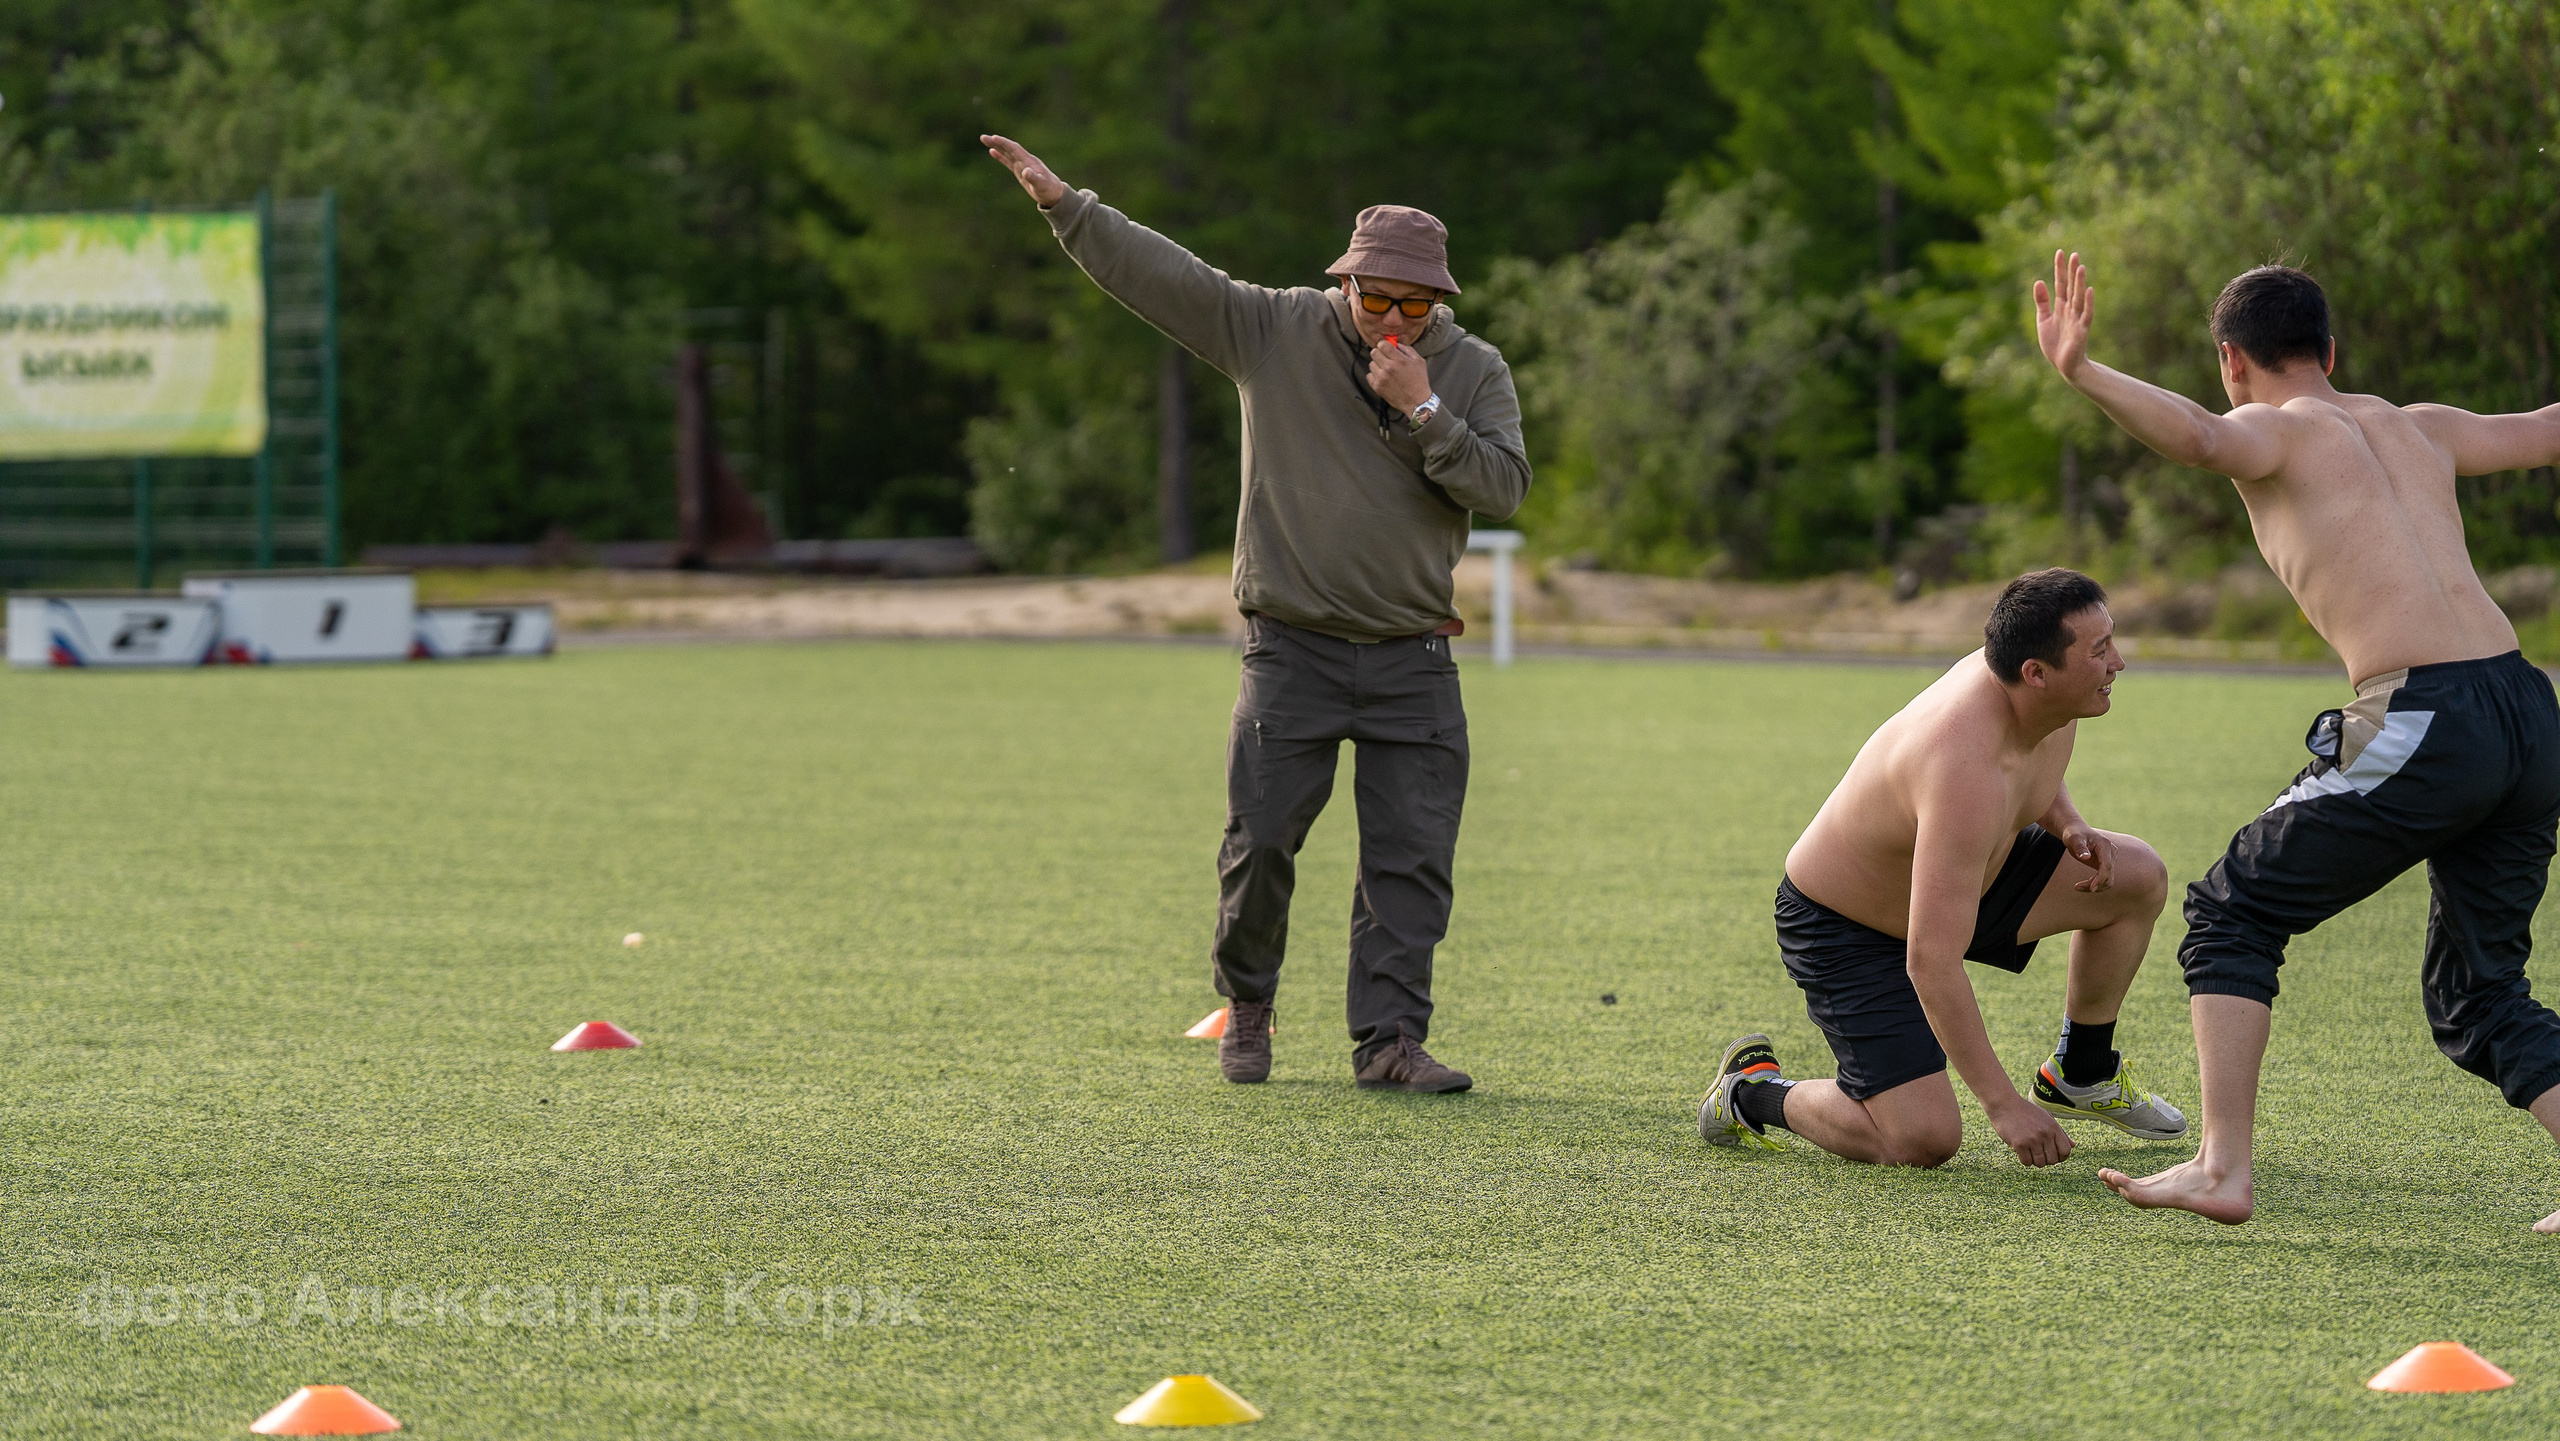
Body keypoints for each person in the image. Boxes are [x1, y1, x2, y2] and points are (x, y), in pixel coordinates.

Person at [980, 134, 1531, 1093]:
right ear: (1345, 282)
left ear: (1441, 300)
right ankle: (1251, 1005)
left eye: (1415, 303)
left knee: (1411, 865)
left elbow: (1507, 487)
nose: (1391, 319)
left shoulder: (1473, 369)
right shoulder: (1272, 331)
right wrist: (1066, 206)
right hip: (1293, 651)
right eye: (1376, 298)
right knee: (1261, 840)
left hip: (1414, 660)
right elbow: (1168, 278)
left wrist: (1428, 409)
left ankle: (1389, 1044)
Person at [2035, 253, 2560, 1229]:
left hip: (2426, 716)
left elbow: (2195, 437)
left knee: (2232, 909)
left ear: (2230, 361)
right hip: (2529, 709)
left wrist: (2082, 371)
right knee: (2479, 992)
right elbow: (2546, 430)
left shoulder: (2267, 433)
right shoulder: (2420, 426)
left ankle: (2219, 1166)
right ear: (2329, 348)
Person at [1701, 570, 2189, 1167]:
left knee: (2135, 877)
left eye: (2111, 640)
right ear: (2036, 673)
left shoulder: (2038, 692)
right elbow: (1931, 960)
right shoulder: (1961, 767)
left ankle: (2082, 1072)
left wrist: (2067, 823)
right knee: (1921, 1141)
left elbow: (2029, 759)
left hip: (1966, 876)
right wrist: (2004, 1106)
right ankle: (1751, 1094)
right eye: (2098, 651)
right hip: (1847, 927)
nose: (2118, 663)